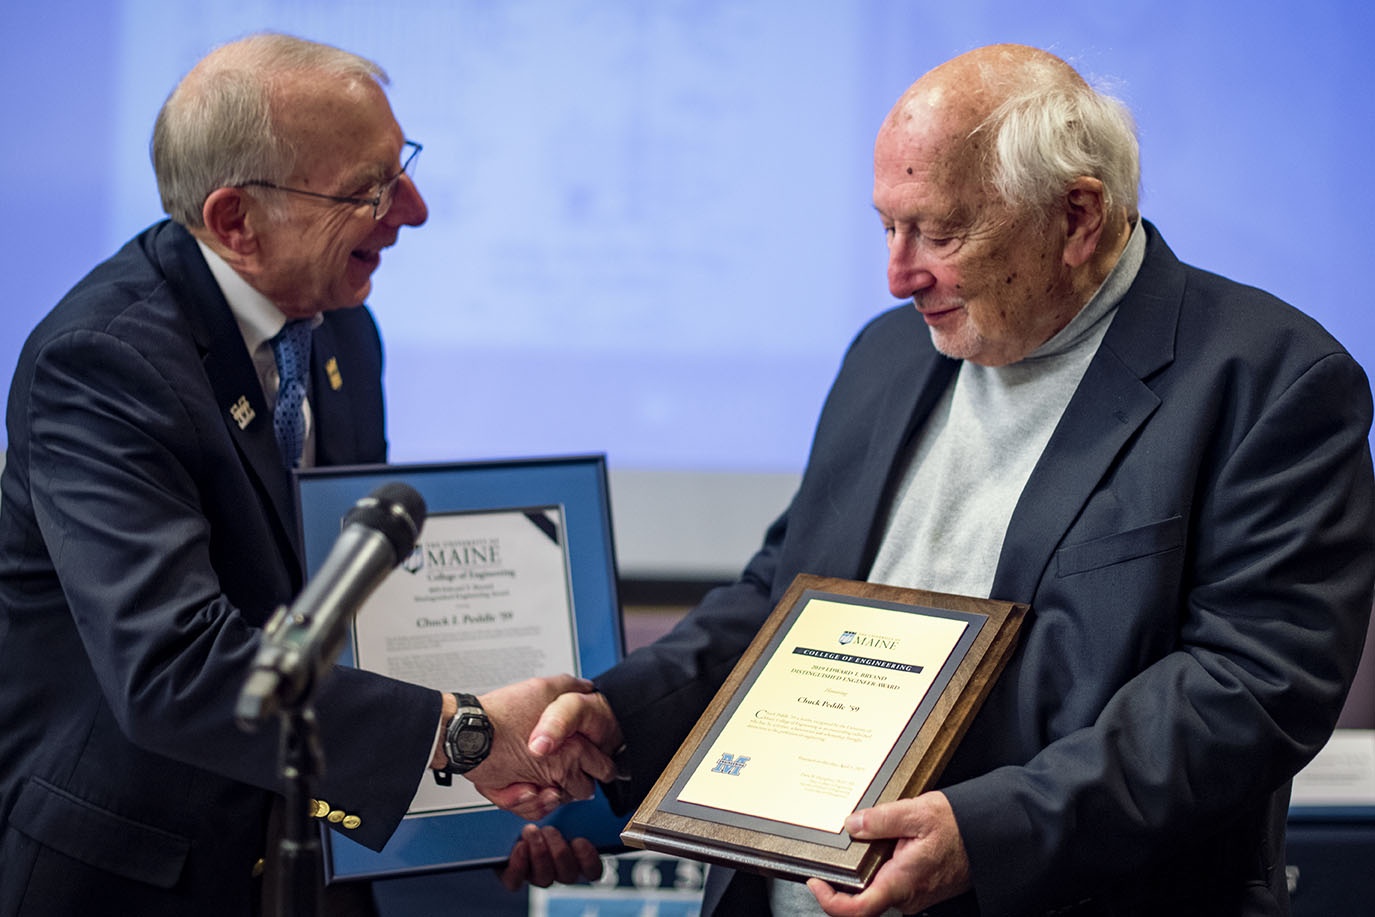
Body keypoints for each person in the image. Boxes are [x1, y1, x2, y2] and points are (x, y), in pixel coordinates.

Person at [517, 43, 1375, 916]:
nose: (898, 275)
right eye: (886, 226)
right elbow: (782, 598)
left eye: (939, 231)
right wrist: (619, 712)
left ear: (1077, 216)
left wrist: (990, 829)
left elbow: (1249, 687)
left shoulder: (1267, 377)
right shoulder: (886, 355)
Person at [0, 33, 607, 915]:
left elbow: (352, 606)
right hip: (135, 877)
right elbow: (175, 668)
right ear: (235, 220)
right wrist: (470, 736)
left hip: (310, 859)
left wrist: (502, 802)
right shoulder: (102, 363)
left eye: (402, 169)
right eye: (368, 189)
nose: (415, 209)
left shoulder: (340, 331)